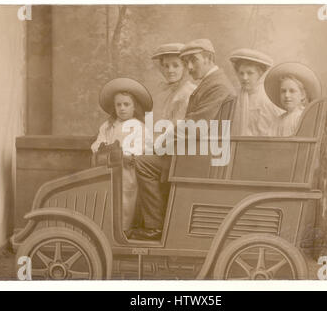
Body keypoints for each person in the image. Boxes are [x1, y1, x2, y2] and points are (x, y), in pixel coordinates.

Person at [131, 39, 236, 241]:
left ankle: (154, 227)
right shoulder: (211, 83)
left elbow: (194, 126)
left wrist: (161, 145)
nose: (189, 67)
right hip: (200, 150)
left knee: (143, 163)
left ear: (209, 58)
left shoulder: (217, 86)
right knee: (149, 158)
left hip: (202, 156)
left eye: (194, 60)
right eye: (186, 61)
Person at [91, 78, 153, 233]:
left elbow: (141, 148)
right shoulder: (108, 126)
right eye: (118, 105)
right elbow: (98, 142)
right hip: (107, 168)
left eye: (126, 104)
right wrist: (101, 148)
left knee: (125, 199)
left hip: (127, 170)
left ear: (134, 107)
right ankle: (106, 229)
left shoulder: (139, 127)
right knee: (107, 197)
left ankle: (124, 229)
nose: (122, 108)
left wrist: (124, 153)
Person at [229, 48, 284, 136]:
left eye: (250, 73)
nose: (244, 78)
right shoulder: (234, 97)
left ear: (260, 74)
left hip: (263, 146)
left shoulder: (268, 98)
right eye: (241, 73)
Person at [264, 62, 322, 136]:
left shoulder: (303, 117)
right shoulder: (277, 121)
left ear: (302, 95)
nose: (287, 95)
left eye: (292, 91)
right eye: (283, 91)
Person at [151, 43, 196, 125]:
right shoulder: (166, 92)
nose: (170, 70)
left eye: (175, 66)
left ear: (185, 67)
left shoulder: (190, 92)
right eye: (166, 66)